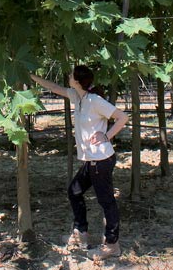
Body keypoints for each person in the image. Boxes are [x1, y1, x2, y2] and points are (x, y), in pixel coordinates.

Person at [29, 66, 128, 258]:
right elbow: (55, 88)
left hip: (101, 159)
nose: (68, 76)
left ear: (76, 80)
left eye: (70, 74)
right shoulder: (78, 97)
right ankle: (81, 232)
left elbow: (122, 117)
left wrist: (106, 136)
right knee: (74, 191)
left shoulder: (95, 101)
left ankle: (112, 245)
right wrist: (32, 76)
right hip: (91, 160)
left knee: (107, 202)